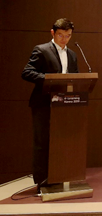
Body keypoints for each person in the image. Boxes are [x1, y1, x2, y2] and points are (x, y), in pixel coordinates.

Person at [22, 18, 79, 192]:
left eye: (68, 36)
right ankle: (42, 181)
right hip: (43, 104)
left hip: (64, 105)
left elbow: (75, 77)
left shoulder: (72, 55)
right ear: (53, 33)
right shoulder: (41, 50)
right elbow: (27, 72)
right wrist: (49, 79)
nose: (64, 39)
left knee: (61, 142)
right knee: (42, 143)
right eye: (61, 35)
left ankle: (59, 177)